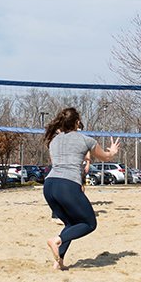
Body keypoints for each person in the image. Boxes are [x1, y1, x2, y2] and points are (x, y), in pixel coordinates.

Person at [43, 107, 120, 270]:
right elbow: (105, 157)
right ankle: (56, 240)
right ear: (77, 122)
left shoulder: (54, 141)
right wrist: (112, 151)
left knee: (70, 223)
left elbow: (56, 161)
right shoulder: (86, 140)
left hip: (49, 186)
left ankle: (58, 262)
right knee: (89, 223)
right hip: (67, 185)